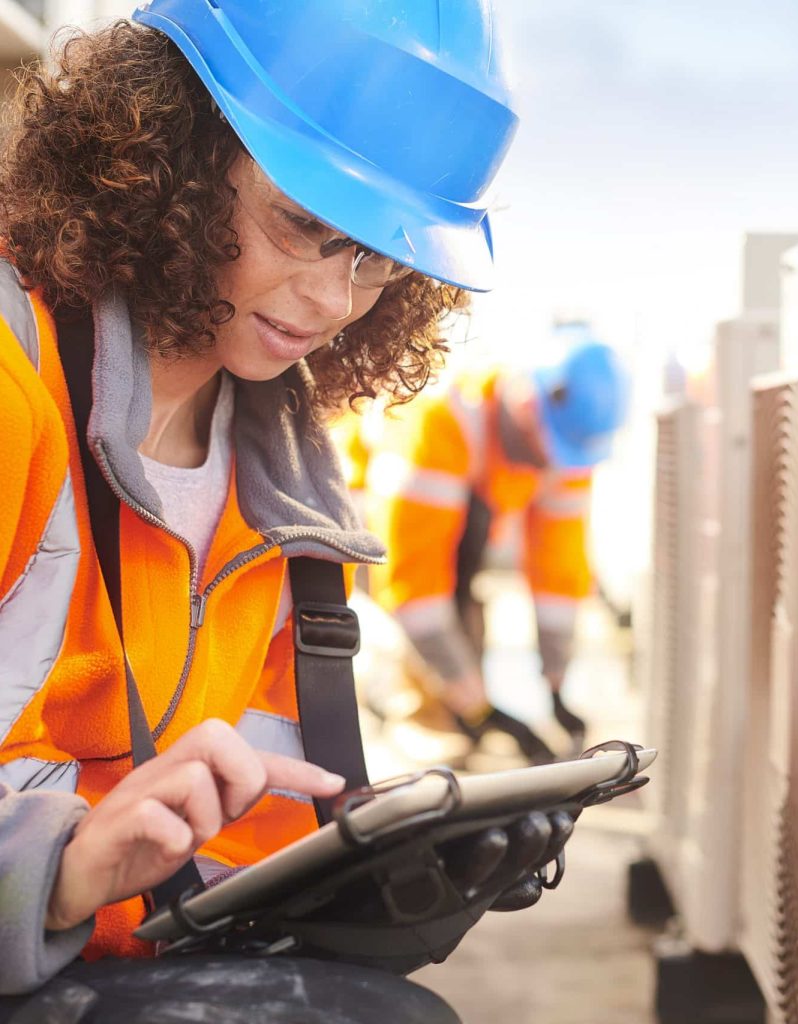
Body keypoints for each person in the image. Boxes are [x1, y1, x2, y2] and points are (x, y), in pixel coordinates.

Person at [0, 0, 563, 1011]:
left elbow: (234, 844)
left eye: (380, 254)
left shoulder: (287, 487)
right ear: (168, 150)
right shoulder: (11, 387)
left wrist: (368, 866)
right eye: (302, 223)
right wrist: (55, 872)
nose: (335, 300)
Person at [341, 322, 630, 761]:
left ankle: (453, 704)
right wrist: (478, 708)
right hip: (358, 523)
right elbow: (411, 584)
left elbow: (559, 573)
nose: (550, 461)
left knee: (466, 594)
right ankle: (415, 712)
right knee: (427, 620)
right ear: (527, 399)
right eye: (548, 445)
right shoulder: (441, 418)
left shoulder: (564, 446)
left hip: (451, 534)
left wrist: (556, 687)